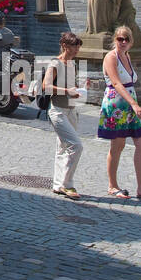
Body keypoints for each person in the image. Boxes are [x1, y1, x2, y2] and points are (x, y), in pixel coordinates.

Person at [98, 26, 141, 199]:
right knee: (118, 145)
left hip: (130, 105)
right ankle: (112, 185)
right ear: (115, 40)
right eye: (120, 39)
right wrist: (134, 104)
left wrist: (133, 104)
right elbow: (116, 83)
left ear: (131, 41)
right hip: (116, 105)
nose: (123, 42)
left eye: (126, 39)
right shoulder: (111, 57)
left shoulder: (127, 56)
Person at [42, 32, 85, 200]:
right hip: (57, 110)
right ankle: (67, 184)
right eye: (74, 46)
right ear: (65, 46)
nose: (77, 49)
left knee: (62, 148)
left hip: (71, 110)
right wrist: (68, 91)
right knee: (76, 145)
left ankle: (58, 184)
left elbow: (69, 86)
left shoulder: (72, 64)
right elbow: (46, 86)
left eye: (78, 46)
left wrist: (78, 89)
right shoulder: (55, 63)